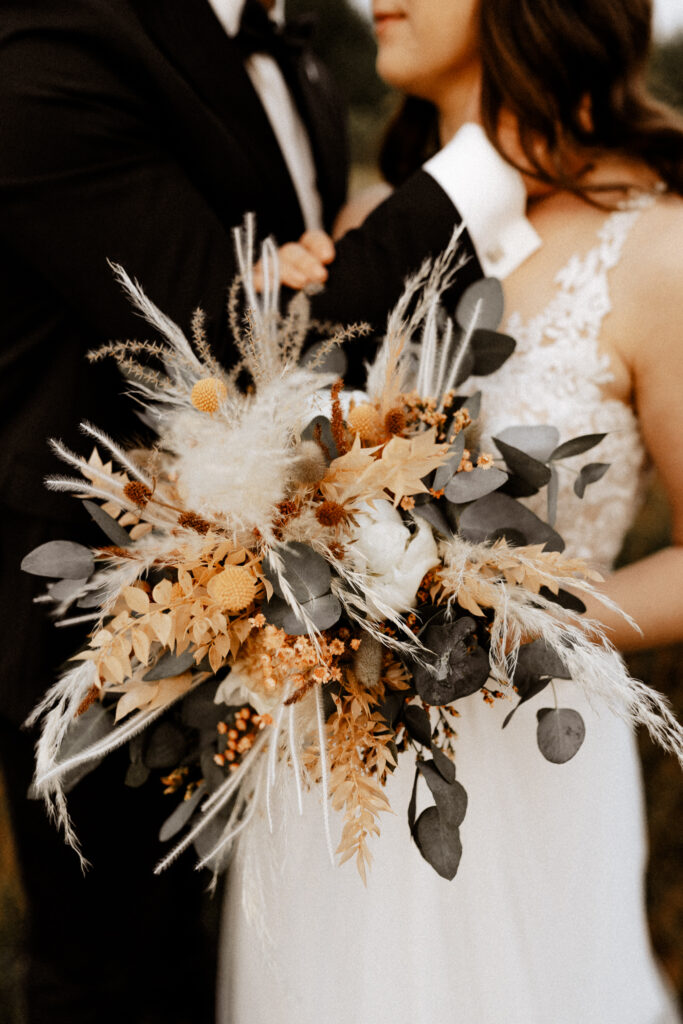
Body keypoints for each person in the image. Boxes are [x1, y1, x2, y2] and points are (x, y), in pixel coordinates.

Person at [0, 0, 546, 1020]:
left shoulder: (296, 53)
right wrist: (486, 166)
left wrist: (306, 272)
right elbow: (243, 352)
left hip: (307, 635)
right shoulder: (52, 45)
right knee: (121, 976)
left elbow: (302, 314)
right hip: (109, 627)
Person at [218, 1, 683, 1022]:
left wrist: (510, 616)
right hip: (332, 782)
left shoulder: (657, 250)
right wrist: (269, 345)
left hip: (526, 770)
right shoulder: (360, 233)